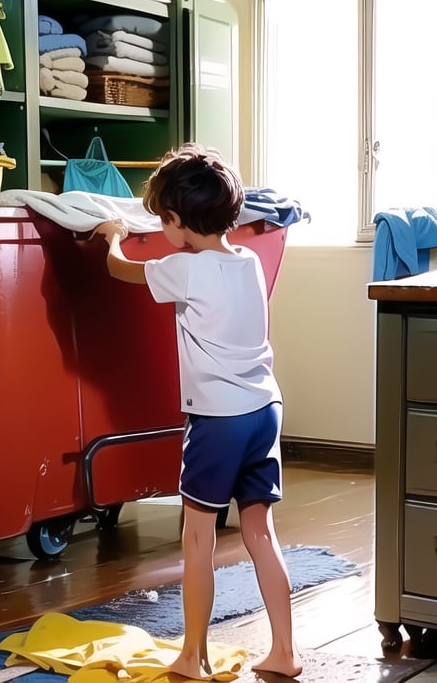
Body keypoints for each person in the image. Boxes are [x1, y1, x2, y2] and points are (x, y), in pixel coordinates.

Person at [95, 142, 302, 680]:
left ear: (175, 220)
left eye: (162, 219)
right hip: (264, 407)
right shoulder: (250, 262)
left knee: (197, 536)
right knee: (260, 532)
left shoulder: (182, 270)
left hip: (220, 420)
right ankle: (285, 651)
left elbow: (121, 271)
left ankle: (193, 655)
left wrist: (113, 235)